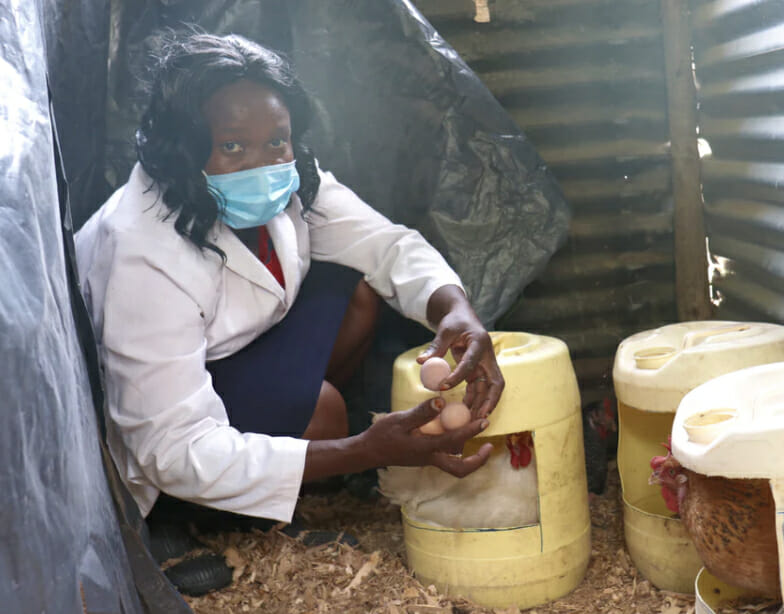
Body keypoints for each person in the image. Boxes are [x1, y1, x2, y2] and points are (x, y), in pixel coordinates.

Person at [75, 30, 505, 595]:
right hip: (152, 412)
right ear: (184, 148)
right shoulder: (144, 251)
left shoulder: (290, 176)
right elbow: (170, 447)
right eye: (232, 146)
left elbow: (385, 245)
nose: (262, 163)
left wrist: (455, 310)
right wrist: (360, 452)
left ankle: (277, 463)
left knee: (358, 290)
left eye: (277, 140)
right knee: (326, 416)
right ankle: (190, 513)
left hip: (232, 346)